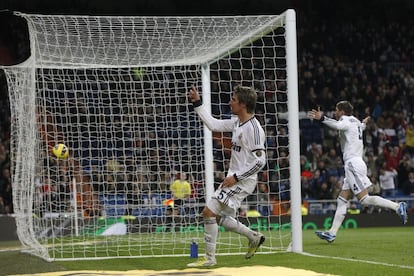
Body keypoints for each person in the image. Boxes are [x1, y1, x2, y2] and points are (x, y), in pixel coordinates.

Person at [187, 85, 266, 267]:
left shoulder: (254, 129)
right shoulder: (238, 122)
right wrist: (197, 103)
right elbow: (213, 124)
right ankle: (253, 237)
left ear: (243, 104)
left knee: (208, 212)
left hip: (243, 180)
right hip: (234, 178)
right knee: (215, 217)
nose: (230, 102)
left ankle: (209, 259)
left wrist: (236, 177)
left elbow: (260, 162)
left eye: (234, 99)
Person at [308, 101, 408, 243]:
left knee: (365, 200)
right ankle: (331, 233)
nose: (335, 113)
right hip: (354, 163)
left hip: (353, 164)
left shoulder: (345, 120)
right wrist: (364, 123)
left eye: (336, 110)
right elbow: (360, 127)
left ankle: (397, 207)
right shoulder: (355, 121)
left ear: (342, 111)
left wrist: (322, 118)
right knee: (342, 199)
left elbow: (338, 125)